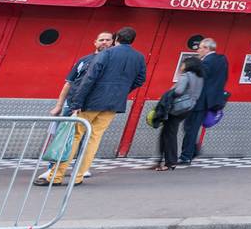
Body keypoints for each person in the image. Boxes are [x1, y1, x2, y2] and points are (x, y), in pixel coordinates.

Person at [39, 26, 146, 186]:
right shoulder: (139, 57)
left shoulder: (106, 54)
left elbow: (90, 78)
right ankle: (78, 176)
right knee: (94, 138)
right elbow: (140, 79)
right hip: (113, 105)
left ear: (116, 39)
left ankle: (56, 175)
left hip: (91, 102)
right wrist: (121, 91)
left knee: (74, 136)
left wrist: (77, 102)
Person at [179, 37, 229, 166]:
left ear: (207, 48)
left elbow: (201, 80)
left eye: (200, 47)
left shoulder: (206, 62)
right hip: (212, 100)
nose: (198, 50)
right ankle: (193, 150)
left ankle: (186, 156)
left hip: (200, 100)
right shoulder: (222, 60)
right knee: (191, 127)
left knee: (190, 128)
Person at [155, 57, 204, 171]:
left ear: (188, 65)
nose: (181, 67)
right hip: (188, 108)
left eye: (183, 64)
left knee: (169, 134)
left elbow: (178, 91)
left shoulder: (185, 76)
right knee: (167, 133)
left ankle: (170, 163)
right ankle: (161, 160)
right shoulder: (200, 78)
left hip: (177, 108)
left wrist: (167, 96)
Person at [52, 31, 113, 116]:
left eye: (108, 40)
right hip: (71, 104)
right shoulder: (83, 60)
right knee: (62, 129)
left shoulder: (114, 62)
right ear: (95, 42)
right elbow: (69, 83)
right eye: (101, 40)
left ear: (113, 42)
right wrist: (59, 106)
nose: (104, 42)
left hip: (94, 107)